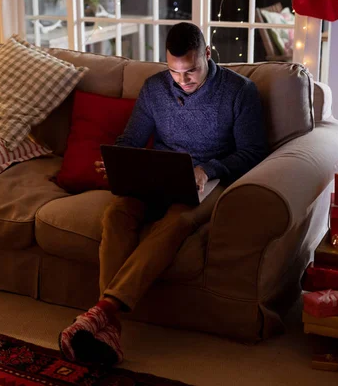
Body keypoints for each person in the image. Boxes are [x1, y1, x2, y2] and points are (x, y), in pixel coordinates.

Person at [58, 22, 269, 366]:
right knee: (116, 214)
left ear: (208, 55)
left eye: (192, 71)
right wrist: (117, 161)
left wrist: (208, 169)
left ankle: (102, 312)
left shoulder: (239, 91)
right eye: (175, 72)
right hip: (157, 174)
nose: (183, 81)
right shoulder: (155, 88)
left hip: (208, 180)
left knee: (176, 222)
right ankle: (107, 325)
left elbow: (253, 152)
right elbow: (132, 140)